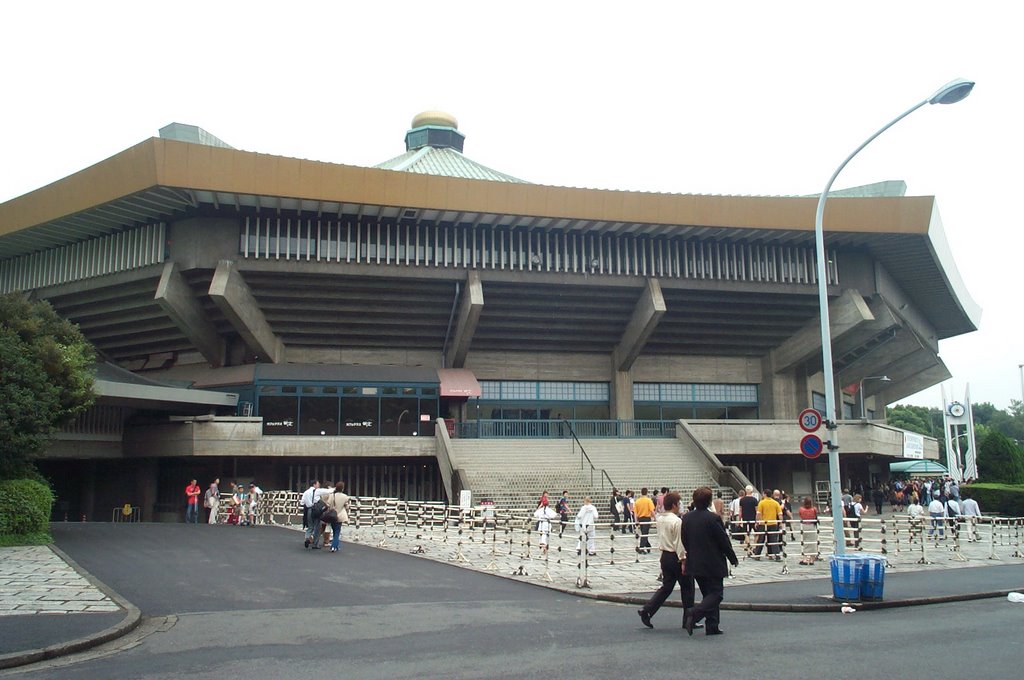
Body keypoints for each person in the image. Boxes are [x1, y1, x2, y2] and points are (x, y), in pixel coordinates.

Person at [681, 487, 738, 636]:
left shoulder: (686, 518)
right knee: (716, 594)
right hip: (713, 561)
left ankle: (712, 625)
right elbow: (723, 540)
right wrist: (732, 557)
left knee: (708, 594)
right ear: (709, 501)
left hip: (695, 561)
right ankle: (694, 613)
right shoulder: (713, 518)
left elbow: (684, 540)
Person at [637, 491, 686, 629]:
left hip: (664, 555)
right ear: (675, 505)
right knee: (687, 588)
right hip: (675, 555)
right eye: (679, 503)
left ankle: (648, 610)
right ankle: (689, 619)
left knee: (666, 587)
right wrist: (683, 559)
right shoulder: (677, 521)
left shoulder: (660, 519)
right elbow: (679, 542)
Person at [753, 489, 782, 559]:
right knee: (773, 540)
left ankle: (757, 555)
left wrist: (757, 522)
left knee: (761, 539)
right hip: (773, 523)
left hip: (763, 524)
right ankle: (775, 555)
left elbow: (758, 514)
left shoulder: (761, 503)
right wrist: (780, 523)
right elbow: (780, 514)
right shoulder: (775, 503)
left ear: (765, 494)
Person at [323, 481, 350, 553]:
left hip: (332, 515)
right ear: (342, 488)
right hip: (340, 515)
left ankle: (336, 546)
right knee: (337, 532)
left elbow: (328, 504)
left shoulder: (332, 495)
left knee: (334, 530)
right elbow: (347, 507)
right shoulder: (345, 497)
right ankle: (334, 546)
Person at [797, 496, 819, 564]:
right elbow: (816, 515)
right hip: (812, 525)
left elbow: (800, 515)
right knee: (813, 542)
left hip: (804, 525)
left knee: (805, 541)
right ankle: (812, 559)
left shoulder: (801, 509)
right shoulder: (814, 509)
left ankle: (805, 558)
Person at [634, 488, 655, 553]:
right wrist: (655, 518)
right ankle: (642, 547)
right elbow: (652, 510)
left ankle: (645, 546)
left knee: (644, 533)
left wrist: (636, 520)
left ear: (641, 492)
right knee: (645, 533)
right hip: (646, 518)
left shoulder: (637, 501)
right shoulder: (649, 500)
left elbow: (635, 512)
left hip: (640, 519)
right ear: (647, 492)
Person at [301, 480, 322, 547]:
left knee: (310, 526)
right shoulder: (317, 492)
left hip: (309, 510)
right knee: (317, 527)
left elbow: (302, 502)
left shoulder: (306, 492)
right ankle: (315, 544)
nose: (318, 486)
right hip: (316, 510)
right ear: (314, 484)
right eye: (318, 484)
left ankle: (307, 538)